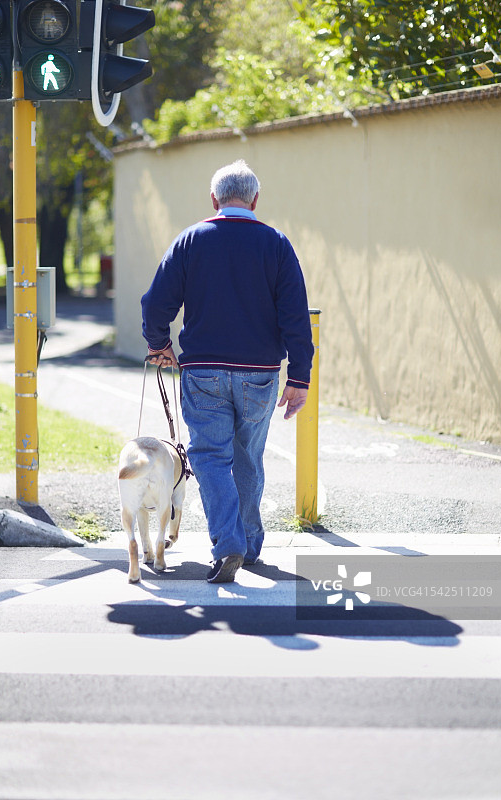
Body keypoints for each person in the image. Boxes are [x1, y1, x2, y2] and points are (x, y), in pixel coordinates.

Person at [141, 160, 314, 583]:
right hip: (260, 373)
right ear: (255, 200)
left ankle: (229, 542)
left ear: (213, 199)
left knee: (210, 458)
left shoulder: (190, 241)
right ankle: (250, 545)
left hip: (203, 372)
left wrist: (160, 344)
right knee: (248, 459)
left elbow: (155, 304)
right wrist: (299, 378)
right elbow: (296, 317)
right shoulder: (276, 244)